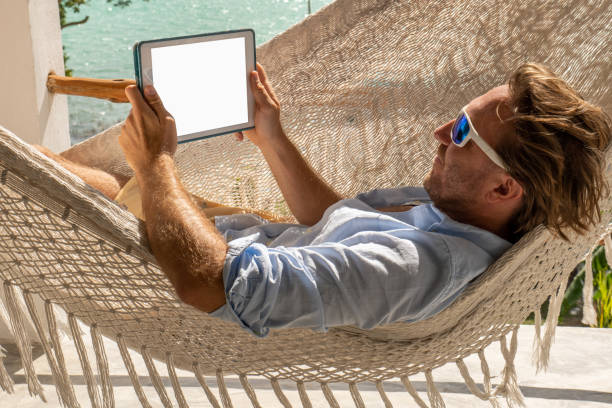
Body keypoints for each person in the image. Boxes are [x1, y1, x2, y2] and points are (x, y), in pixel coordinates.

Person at [38, 63, 611, 337]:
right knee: (80, 175)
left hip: (191, 259)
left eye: (461, 133)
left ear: (504, 188)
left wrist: (158, 165)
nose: (440, 133)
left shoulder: (416, 269)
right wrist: (272, 138)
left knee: (51, 182)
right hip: (234, 229)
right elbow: (343, 225)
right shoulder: (458, 211)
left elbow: (213, 287)